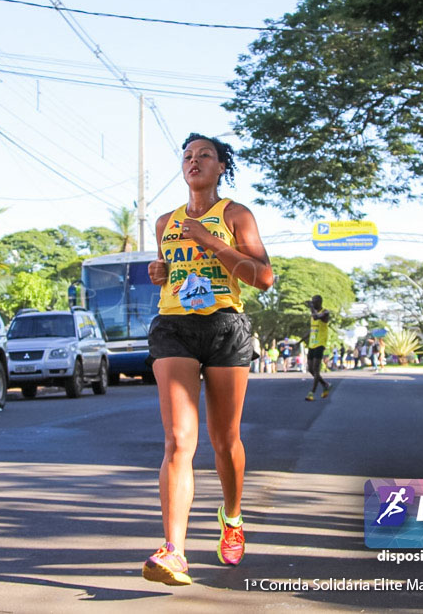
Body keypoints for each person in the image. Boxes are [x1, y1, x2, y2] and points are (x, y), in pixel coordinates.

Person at [142, 132, 273, 586]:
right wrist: (159, 270)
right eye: (188, 157)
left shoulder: (235, 215)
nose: (194, 162)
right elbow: (167, 269)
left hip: (225, 327)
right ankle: (173, 550)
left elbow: (264, 277)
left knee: (224, 441)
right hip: (174, 325)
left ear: (221, 168)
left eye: (205, 156)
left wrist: (210, 241)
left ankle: (232, 517)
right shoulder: (164, 222)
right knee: (179, 440)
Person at [304, 295, 332, 401]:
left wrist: (311, 307)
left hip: (320, 343)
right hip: (312, 344)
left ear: (320, 302)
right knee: (310, 369)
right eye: (312, 302)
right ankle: (325, 384)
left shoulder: (325, 312)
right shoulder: (313, 314)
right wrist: (300, 341)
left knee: (316, 369)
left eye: (314, 302)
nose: (313, 304)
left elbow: (317, 317)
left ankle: (312, 392)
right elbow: (311, 330)